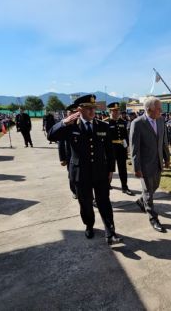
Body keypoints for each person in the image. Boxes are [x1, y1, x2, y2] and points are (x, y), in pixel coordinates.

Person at [47, 94, 122, 245]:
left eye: (93, 108)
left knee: (104, 202)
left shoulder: (103, 126)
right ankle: (89, 225)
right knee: (86, 203)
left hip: (100, 172)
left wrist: (110, 170)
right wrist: (64, 122)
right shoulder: (71, 127)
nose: (92, 111)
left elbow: (110, 151)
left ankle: (110, 231)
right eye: (88, 108)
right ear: (79, 110)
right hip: (81, 174)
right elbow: (51, 136)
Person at [129, 96, 171, 232]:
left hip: (158, 162)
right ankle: (153, 218)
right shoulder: (138, 123)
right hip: (145, 165)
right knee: (148, 192)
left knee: (155, 186)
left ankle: (141, 201)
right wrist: (136, 168)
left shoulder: (160, 120)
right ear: (149, 109)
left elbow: (163, 142)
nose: (161, 111)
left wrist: (167, 158)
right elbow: (134, 148)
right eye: (158, 108)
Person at [107, 102, 133, 195]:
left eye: (118, 110)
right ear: (110, 111)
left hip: (121, 148)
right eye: (115, 110)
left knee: (123, 168)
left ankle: (124, 187)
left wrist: (127, 148)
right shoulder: (106, 122)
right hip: (111, 149)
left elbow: (125, 136)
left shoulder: (123, 122)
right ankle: (107, 184)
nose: (117, 112)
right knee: (109, 168)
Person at [58, 105, 78, 199]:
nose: (72, 114)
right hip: (69, 155)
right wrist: (62, 158)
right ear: (67, 114)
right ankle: (74, 191)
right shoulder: (64, 125)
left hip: (78, 155)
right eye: (70, 113)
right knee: (71, 174)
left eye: (74, 112)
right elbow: (60, 144)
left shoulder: (78, 124)